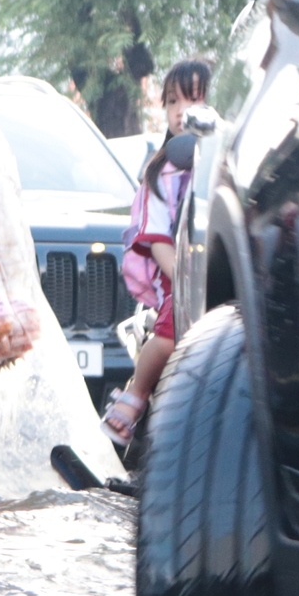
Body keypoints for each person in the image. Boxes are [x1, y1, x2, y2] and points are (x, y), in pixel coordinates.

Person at [104, 60, 214, 443]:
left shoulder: (222, 168)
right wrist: (185, 278)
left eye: (194, 99)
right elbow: (158, 240)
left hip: (221, 282)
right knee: (169, 337)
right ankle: (134, 398)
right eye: (172, 101)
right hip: (181, 281)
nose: (181, 111)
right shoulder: (162, 173)